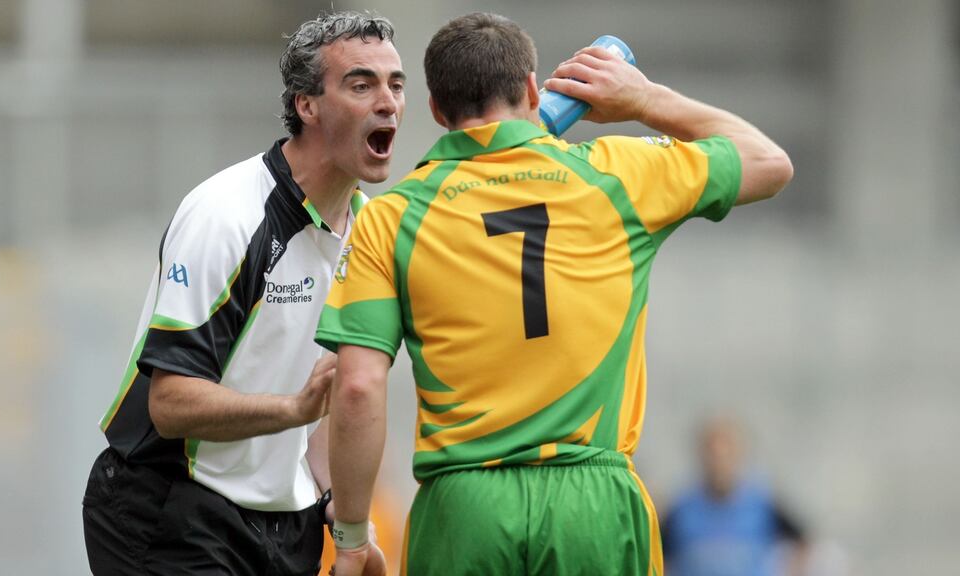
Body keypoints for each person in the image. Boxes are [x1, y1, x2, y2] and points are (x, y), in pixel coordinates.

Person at [315, 11, 792, 576]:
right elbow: (770, 163)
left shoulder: (390, 219)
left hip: (464, 509)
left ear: (438, 111)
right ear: (532, 90)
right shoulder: (620, 174)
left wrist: (349, 536)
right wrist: (644, 100)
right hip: (592, 506)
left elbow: (358, 387)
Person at [82, 11, 404, 575]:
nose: (388, 102)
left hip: (286, 524)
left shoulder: (372, 230)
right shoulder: (227, 214)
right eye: (362, 84)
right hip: (170, 508)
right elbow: (171, 403)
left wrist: (348, 525)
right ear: (307, 105)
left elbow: (327, 402)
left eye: (395, 85)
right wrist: (292, 409)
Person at [661, 417, 808, 576]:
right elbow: (658, 555)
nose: (719, 463)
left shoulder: (762, 504)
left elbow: (803, 542)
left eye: (726, 454)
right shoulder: (681, 509)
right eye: (713, 455)